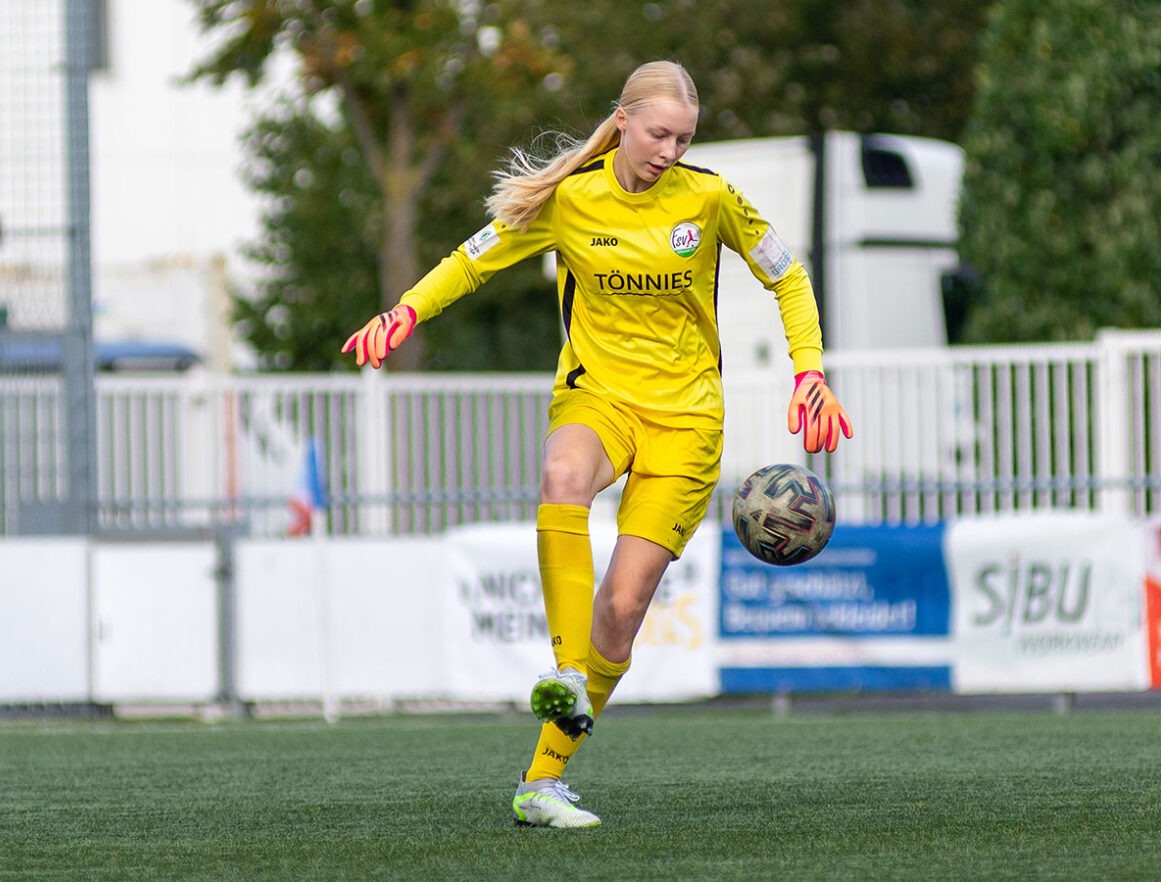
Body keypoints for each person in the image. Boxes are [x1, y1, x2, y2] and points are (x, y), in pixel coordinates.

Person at [343, 60, 854, 828]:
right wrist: (405, 312)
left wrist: (808, 371)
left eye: (683, 138)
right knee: (562, 472)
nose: (670, 151)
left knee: (620, 608)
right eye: (658, 134)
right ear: (622, 121)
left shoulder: (711, 197)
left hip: (687, 424)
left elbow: (787, 275)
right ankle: (567, 673)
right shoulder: (572, 200)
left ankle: (542, 780)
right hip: (599, 396)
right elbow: (473, 259)